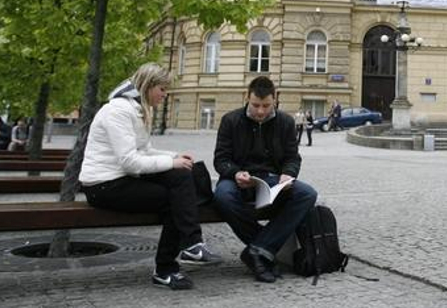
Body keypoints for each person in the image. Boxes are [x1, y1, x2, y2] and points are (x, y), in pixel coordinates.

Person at [80, 63, 221, 291]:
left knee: (186, 174)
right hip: (104, 185)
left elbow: (144, 151)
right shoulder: (118, 111)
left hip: (124, 177)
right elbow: (129, 160)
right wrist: (171, 162)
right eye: (162, 90)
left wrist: (175, 156)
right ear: (148, 86)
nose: (165, 95)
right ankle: (168, 266)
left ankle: (191, 246)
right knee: (174, 198)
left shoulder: (138, 109)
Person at [213, 76, 318, 283]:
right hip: (238, 179)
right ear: (247, 98)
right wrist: (234, 172)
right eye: (255, 105)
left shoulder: (286, 121)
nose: (260, 111)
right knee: (222, 196)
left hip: (271, 179)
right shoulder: (230, 120)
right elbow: (221, 159)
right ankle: (262, 249)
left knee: (307, 194)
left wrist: (288, 174)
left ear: (275, 100)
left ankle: (257, 250)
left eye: (266, 106)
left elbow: (292, 157)